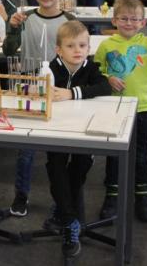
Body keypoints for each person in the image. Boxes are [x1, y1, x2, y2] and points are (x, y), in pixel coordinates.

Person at [3, 0, 76, 217]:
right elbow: (8, 50)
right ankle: (21, 195)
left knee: (59, 148)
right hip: (30, 83)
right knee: (26, 147)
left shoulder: (69, 21)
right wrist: (11, 27)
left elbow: (79, 54)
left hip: (60, 87)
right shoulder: (25, 18)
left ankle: (62, 200)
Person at [93, 0, 147, 221]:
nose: (129, 23)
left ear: (143, 22)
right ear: (115, 20)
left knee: (141, 154)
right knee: (114, 154)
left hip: (141, 107)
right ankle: (112, 195)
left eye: (134, 19)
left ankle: (142, 196)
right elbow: (97, 72)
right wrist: (108, 78)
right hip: (115, 107)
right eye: (124, 18)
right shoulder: (107, 45)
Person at [45, 20, 112, 258]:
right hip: (56, 132)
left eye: (82, 45)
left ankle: (63, 211)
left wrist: (72, 93)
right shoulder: (51, 68)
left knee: (79, 168)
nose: (77, 50)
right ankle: (70, 221)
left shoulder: (91, 68)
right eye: (71, 46)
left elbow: (105, 88)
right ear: (58, 49)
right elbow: (37, 89)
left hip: (85, 132)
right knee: (55, 168)